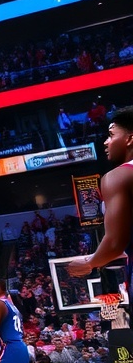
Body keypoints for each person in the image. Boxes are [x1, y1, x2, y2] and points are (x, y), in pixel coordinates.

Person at [67, 106, 132, 299]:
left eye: (111, 135)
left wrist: (89, 263)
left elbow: (115, 242)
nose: (106, 142)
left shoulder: (119, 176)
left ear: (129, 139)